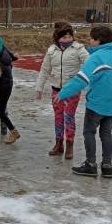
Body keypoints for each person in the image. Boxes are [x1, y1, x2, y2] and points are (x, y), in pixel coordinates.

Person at [55, 25, 112, 178]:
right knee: (106, 134)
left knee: (89, 132)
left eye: (91, 39)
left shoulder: (95, 58)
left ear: (98, 41)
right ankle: (107, 166)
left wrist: (63, 93)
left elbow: (81, 79)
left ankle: (91, 164)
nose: (90, 41)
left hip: (96, 104)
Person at [35, 21, 89, 159]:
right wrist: (39, 87)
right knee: (58, 117)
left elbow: (88, 63)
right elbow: (45, 69)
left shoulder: (79, 49)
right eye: (64, 37)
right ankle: (59, 143)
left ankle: (69, 144)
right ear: (57, 38)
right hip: (56, 90)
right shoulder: (52, 50)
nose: (67, 40)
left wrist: (80, 79)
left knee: (68, 116)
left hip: (72, 90)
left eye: (69, 37)